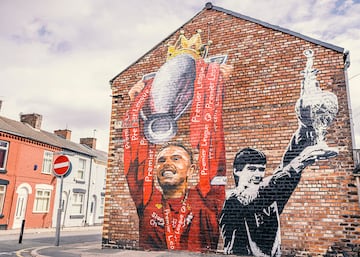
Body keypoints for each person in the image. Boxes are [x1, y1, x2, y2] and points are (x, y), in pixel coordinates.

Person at [219, 124, 335, 256]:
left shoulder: (269, 197)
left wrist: (303, 130)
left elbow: (284, 167)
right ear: (237, 171)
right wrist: (300, 162)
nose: (258, 174)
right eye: (251, 169)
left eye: (261, 169)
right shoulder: (230, 199)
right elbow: (267, 188)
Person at [125, 141, 225, 252]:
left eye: (176, 159)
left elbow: (216, 159)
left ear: (191, 170)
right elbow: (134, 160)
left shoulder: (205, 201)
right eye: (161, 160)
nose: (166, 163)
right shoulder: (147, 200)